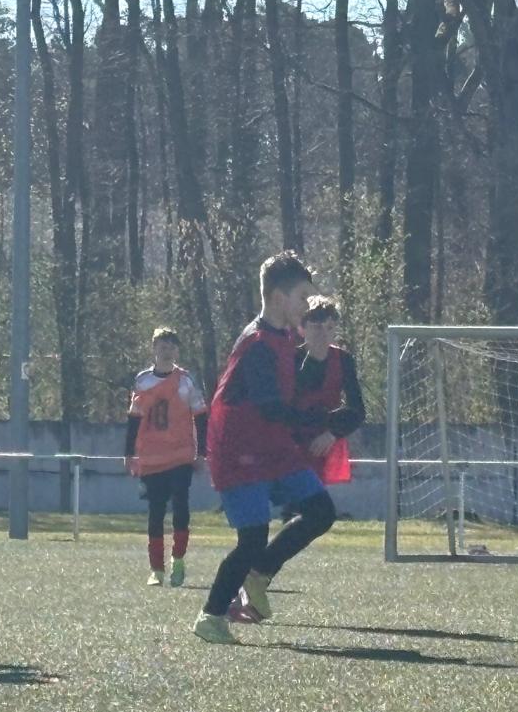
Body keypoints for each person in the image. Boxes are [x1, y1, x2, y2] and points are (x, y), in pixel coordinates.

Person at [191, 252, 339, 645]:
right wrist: (312, 420)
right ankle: (211, 616)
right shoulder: (257, 344)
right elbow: (269, 405)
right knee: (252, 538)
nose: (309, 304)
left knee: (321, 511)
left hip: (272, 447)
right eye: (303, 296)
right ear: (277, 297)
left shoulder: (285, 337)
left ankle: (258, 575)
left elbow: (291, 393)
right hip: (238, 452)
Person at [124, 327, 209, 587]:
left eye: (171, 346)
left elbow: (201, 417)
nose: (167, 351)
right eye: (162, 346)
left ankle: (178, 559)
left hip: (181, 455)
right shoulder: (142, 381)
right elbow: (134, 418)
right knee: (156, 510)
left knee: (181, 506)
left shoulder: (186, 381)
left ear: (177, 351)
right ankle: (156, 569)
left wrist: (202, 453)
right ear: (154, 349)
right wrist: (129, 452)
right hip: (152, 456)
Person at [292, 296, 365, 487]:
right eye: (317, 327)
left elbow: (357, 410)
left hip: (327, 440)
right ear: (302, 328)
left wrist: (332, 433)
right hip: (294, 443)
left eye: (330, 328)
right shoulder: (291, 359)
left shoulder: (343, 359)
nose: (323, 334)